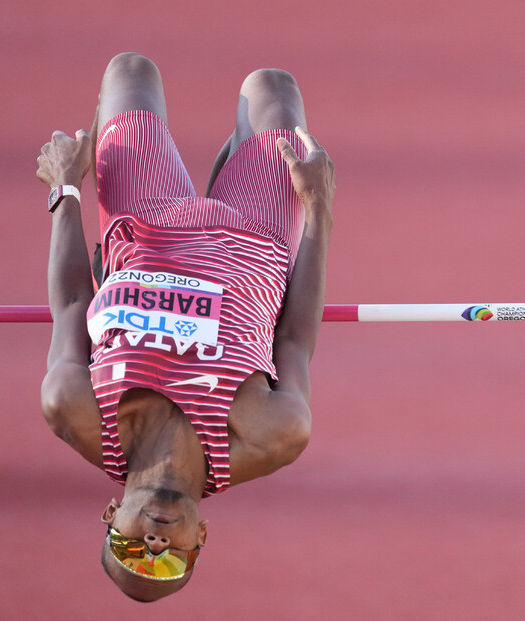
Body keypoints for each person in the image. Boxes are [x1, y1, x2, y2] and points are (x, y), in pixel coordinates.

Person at [35, 52, 335, 602]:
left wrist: (66, 188)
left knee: (130, 71)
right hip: (256, 236)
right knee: (272, 85)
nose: (153, 543)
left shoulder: (74, 405)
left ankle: (224, 159)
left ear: (110, 514)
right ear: (200, 537)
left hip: (144, 217)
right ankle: (236, 156)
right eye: (170, 561)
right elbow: (293, 340)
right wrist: (318, 209)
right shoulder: (270, 434)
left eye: (131, 550)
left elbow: (75, 300)